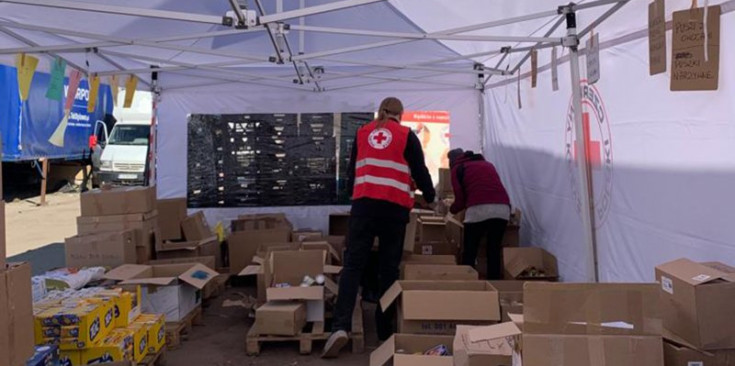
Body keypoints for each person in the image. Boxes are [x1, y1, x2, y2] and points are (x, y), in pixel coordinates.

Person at [322, 97, 436, 358]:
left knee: (353, 267)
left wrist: (355, 198)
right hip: (393, 211)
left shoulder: (363, 133)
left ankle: (339, 327)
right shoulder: (406, 135)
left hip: (363, 209)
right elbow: (420, 171)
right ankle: (385, 332)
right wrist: (431, 198)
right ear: (400, 114)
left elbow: (351, 172)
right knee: (388, 270)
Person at [447, 148, 510, 280]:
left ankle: (467, 284)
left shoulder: (457, 169)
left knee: (470, 250)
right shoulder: (487, 164)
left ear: (452, 161)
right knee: (493, 251)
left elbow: (460, 200)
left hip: (478, 209)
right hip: (502, 209)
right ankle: (495, 286)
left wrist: (450, 211)